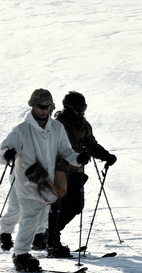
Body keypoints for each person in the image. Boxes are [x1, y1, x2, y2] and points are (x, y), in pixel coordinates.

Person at [0, 89, 89, 273]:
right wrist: (7, 154)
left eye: (47, 107)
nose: (44, 110)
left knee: (39, 218)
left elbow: (66, 151)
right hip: (28, 180)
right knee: (30, 218)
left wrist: (77, 158)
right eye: (40, 106)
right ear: (33, 105)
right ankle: (20, 255)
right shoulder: (22, 130)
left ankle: (23, 251)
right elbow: (3, 149)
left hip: (48, 183)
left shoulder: (56, 128)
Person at [45, 91, 117, 257]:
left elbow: (91, 145)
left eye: (83, 108)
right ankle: (53, 242)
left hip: (77, 172)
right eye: (78, 108)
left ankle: (49, 234)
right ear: (68, 108)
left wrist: (106, 156)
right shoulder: (58, 125)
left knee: (76, 206)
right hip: (60, 171)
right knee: (58, 207)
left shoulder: (84, 125)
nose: (81, 112)